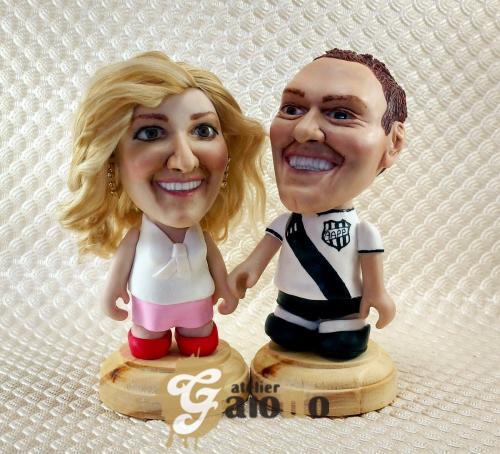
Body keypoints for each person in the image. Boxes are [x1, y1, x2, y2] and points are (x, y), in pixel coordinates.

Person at [60, 52, 265, 360]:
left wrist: (224, 289)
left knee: (201, 343)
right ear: (111, 161)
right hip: (150, 307)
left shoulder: (201, 237)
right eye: (151, 133)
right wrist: (112, 293)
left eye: (203, 130)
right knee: (147, 345)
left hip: (197, 306)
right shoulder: (136, 239)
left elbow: (216, 268)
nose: (185, 161)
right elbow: (118, 274)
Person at [229, 49, 407, 360]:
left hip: (343, 308)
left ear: (392, 142)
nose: (303, 130)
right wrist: (247, 269)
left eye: (342, 114)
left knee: (343, 344)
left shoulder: (363, 232)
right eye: (292, 109)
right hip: (292, 305)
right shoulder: (286, 224)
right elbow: (259, 257)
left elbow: (371, 272)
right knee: (284, 333)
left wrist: (377, 293)